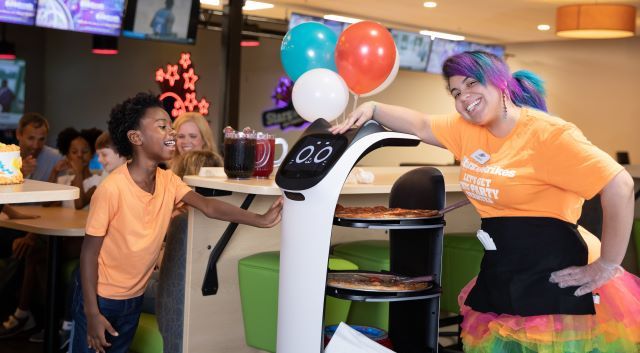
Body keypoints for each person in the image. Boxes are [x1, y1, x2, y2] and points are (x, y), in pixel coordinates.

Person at [331, 51, 639, 353]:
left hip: (559, 273)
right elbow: (421, 125)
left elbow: (620, 185)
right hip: (505, 269)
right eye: (455, 91)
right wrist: (373, 108)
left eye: (472, 83)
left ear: (501, 84)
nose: (464, 96)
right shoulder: (467, 129)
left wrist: (607, 265)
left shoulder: (549, 135)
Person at [71, 92, 282, 353]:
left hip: (133, 298)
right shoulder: (112, 189)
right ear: (136, 138)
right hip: (100, 297)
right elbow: (88, 255)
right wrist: (91, 312)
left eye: (170, 125)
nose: (172, 132)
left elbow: (208, 206)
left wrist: (259, 219)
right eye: (162, 127)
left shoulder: (168, 181)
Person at [48, 128, 103, 209]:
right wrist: (54, 171)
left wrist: (78, 172)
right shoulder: (63, 181)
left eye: (85, 152)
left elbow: (79, 205)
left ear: (92, 154)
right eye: (74, 152)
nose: (79, 155)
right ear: (67, 155)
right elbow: (46, 202)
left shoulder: (98, 182)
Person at [15, 112, 62, 181]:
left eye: (41, 139)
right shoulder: (4, 158)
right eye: (31, 138)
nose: (36, 146)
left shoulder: (56, 157)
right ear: (18, 134)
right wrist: (17, 174)